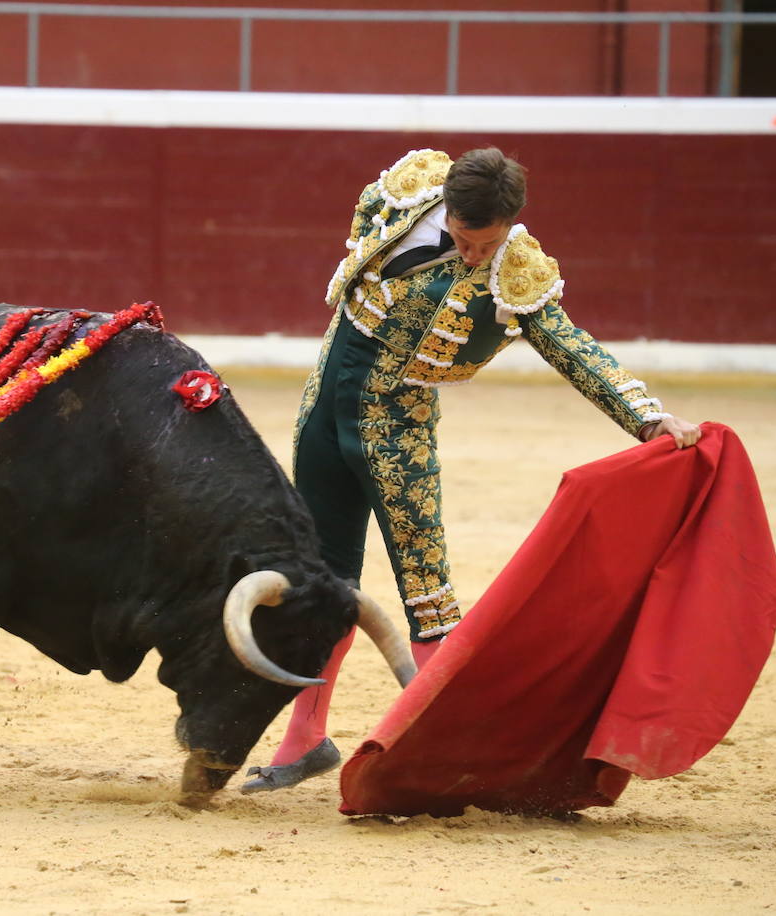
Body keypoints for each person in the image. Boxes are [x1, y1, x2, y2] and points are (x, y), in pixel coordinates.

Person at [240, 147, 702, 794]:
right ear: (446, 210)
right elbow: (359, 244)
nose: (475, 255)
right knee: (322, 580)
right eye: (464, 239)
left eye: (488, 243)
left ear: (511, 223)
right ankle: (306, 740)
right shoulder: (408, 191)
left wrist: (648, 417)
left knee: (428, 596)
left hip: (396, 428)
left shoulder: (516, 270)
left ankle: (447, 760)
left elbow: (573, 348)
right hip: (323, 409)